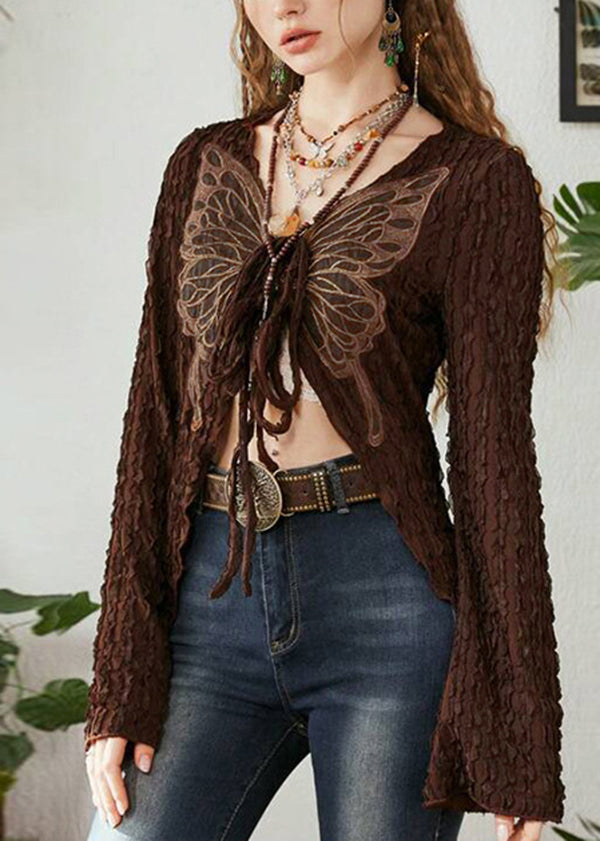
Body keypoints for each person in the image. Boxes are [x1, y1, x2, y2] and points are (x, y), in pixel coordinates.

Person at [83, 0, 567, 839]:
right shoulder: (202, 165)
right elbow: (152, 428)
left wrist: (519, 732)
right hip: (209, 593)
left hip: (385, 604)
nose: (285, 6)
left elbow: (495, 467)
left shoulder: (476, 183)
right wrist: (121, 676)